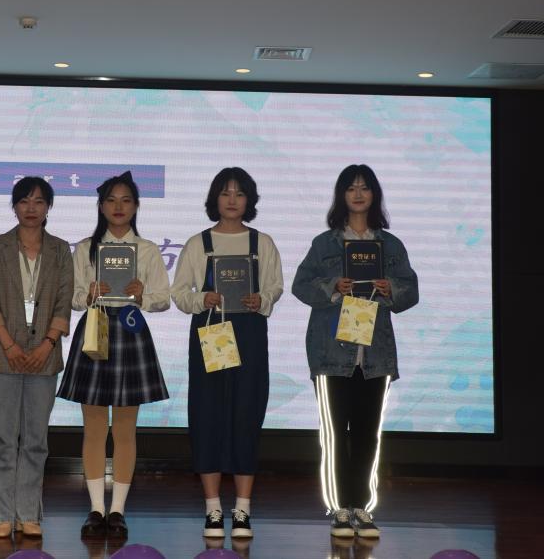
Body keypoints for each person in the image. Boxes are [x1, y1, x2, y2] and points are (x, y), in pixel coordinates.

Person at [291, 164, 419, 540]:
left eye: (365, 188)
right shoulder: (324, 244)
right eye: (351, 188)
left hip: (375, 355)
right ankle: (340, 509)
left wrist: (390, 288)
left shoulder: (390, 245)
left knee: (367, 435)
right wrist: (334, 286)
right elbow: (301, 285)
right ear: (341, 196)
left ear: (374, 194)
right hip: (332, 353)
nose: (358, 194)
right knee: (335, 436)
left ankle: (361, 507)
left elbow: (410, 291)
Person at [170, 167, 283, 539]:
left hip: (249, 333)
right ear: (214, 199)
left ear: (249, 200)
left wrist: (261, 299)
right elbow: (179, 293)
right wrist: (202, 298)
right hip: (211, 333)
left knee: (247, 414)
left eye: (239, 193)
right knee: (208, 415)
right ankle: (213, 508)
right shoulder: (198, 243)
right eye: (225, 193)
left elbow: (275, 287)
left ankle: (243, 509)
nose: (232, 200)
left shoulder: (262, 242)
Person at [57, 171, 170, 539]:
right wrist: (88, 294)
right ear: (101, 206)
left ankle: (118, 510)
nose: (119, 207)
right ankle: (95, 508)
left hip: (130, 330)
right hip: (95, 327)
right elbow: (73, 298)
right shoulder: (84, 248)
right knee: (93, 427)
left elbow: (163, 300)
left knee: (124, 429)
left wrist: (142, 295)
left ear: (136, 206)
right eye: (111, 200)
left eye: (126, 200)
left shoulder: (147, 249)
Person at [0, 176, 74, 539]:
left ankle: (29, 513)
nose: (31, 208)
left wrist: (47, 344)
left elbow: (64, 301)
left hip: (44, 356)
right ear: (14, 206)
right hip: (2, 355)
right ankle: (2, 515)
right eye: (24, 201)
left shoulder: (61, 250)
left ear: (49, 207)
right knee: (5, 440)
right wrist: (9, 345)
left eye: (38, 201)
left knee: (35, 440)